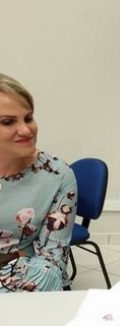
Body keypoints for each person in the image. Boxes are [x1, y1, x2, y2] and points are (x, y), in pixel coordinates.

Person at [0, 73, 77, 292]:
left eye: (28, 118)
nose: (26, 130)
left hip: (29, 288)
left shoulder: (57, 174)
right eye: (8, 122)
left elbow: (52, 261)